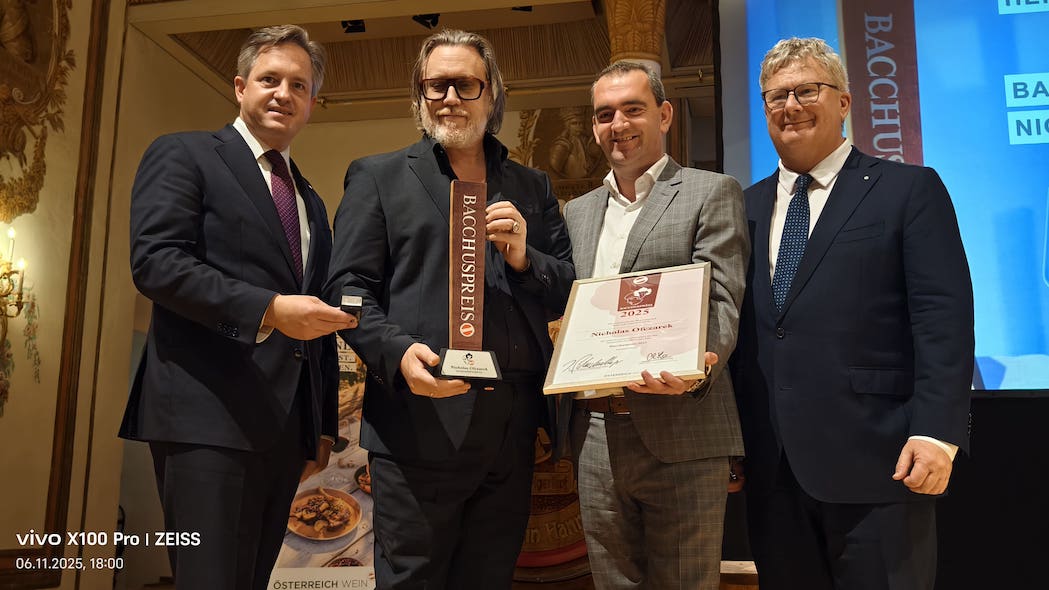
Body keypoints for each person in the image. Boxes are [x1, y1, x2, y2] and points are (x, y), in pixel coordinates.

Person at [324, 29, 575, 590]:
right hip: (417, 416)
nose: (450, 98)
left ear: (492, 95)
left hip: (511, 428)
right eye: (435, 85)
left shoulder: (531, 185)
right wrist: (396, 352)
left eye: (465, 84)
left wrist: (522, 257)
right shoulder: (379, 176)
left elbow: (567, 288)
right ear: (419, 95)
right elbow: (346, 286)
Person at [731, 37, 974, 590]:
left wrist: (938, 433)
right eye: (776, 96)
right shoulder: (741, 206)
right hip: (773, 471)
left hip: (881, 464)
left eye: (806, 91)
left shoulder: (908, 189)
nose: (790, 106)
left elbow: (944, 318)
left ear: (843, 102)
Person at [120, 25, 357, 590]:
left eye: (299, 85)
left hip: (284, 431)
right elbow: (156, 263)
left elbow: (315, 317)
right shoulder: (186, 154)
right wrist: (270, 309)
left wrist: (321, 426)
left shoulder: (310, 200)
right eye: (269, 79)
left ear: (312, 103)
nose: (283, 93)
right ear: (239, 86)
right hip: (204, 415)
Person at [562, 60, 749, 590]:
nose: (618, 124)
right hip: (595, 431)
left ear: (664, 115)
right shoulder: (576, 212)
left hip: (683, 425)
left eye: (633, 109)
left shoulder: (711, 191)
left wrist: (702, 361)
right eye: (604, 114)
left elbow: (722, 297)